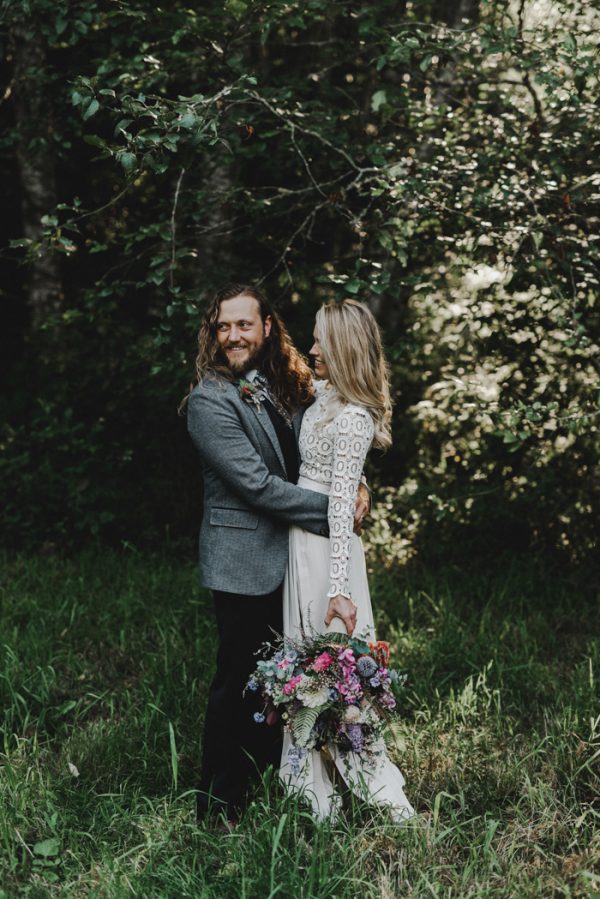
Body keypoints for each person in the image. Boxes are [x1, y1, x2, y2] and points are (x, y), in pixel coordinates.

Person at [184, 283, 370, 824]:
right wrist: (335, 511)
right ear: (213, 334)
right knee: (235, 683)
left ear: (267, 327)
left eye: (244, 324)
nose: (234, 335)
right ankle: (217, 805)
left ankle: (273, 779)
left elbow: (330, 446)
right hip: (242, 560)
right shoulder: (209, 400)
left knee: (279, 678)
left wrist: (357, 489)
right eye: (224, 326)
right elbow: (259, 486)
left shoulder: (276, 384)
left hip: (289, 556)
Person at [279, 298, 415, 822]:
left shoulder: (355, 416)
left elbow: (340, 507)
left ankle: (374, 788)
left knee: (331, 665)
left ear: (344, 348)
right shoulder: (322, 397)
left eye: (320, 341)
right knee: (302, 664)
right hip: (301, 543)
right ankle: (313, 790)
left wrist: (338, 586)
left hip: (327, 551)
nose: (312, 349)